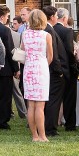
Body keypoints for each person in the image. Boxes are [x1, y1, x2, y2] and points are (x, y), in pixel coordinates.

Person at [22, 9, 53, 142]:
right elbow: (50, 56)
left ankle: (34, 135)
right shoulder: (46, 35)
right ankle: (42, 135)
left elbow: (22, 52)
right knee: (40, 105)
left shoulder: (24, 34)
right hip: (41, 68)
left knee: (31, 105)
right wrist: (44, 64)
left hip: (28, 68)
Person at [42, 5, 69, 138]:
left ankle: (49, 126)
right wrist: (59, 71)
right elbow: (53, 54)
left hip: (50, 70)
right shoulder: (49, 30)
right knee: (54, 100)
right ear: (52, 17)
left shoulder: (47, 29)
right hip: (54, 71)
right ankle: (50, 128)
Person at [55, 8, 79, 132]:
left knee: (55, 98)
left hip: (54, 67)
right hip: (67, 69)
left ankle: (54, 122)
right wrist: (76, 67)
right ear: (65, 18)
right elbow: (70, 52)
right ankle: (70, 124)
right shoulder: (67, 31)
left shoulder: (51, 29)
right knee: (69, 98)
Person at [0, 6, 17, 130]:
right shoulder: (5, 30)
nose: (8, 19)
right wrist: (16, 68)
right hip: (5, 68)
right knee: (5, 96)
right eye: (7, 16)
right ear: (2, 17)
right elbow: (9, 50)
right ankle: (2, 121)